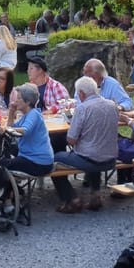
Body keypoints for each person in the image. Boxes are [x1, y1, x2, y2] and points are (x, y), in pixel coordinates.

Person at [52, 76, 122, 213]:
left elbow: (71, 140)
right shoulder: (112, 105)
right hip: (111, 159)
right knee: (94, 149)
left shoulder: (82, 108)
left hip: (90, 160)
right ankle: (95, 194)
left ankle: (71, 198)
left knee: (54, 159)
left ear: (82, 93)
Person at [0, 84, 54, 179]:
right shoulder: (27, 115)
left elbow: (25, 130)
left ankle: (8, 190)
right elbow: (11, 128)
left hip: (38, 163)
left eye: (19, 98)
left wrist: (5, 129)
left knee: (0, 163)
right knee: (6, 154)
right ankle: (13, 189)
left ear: (28, 101)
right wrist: (11, 112)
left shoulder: (33, 114)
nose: (15, 101)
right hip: (33, 158)